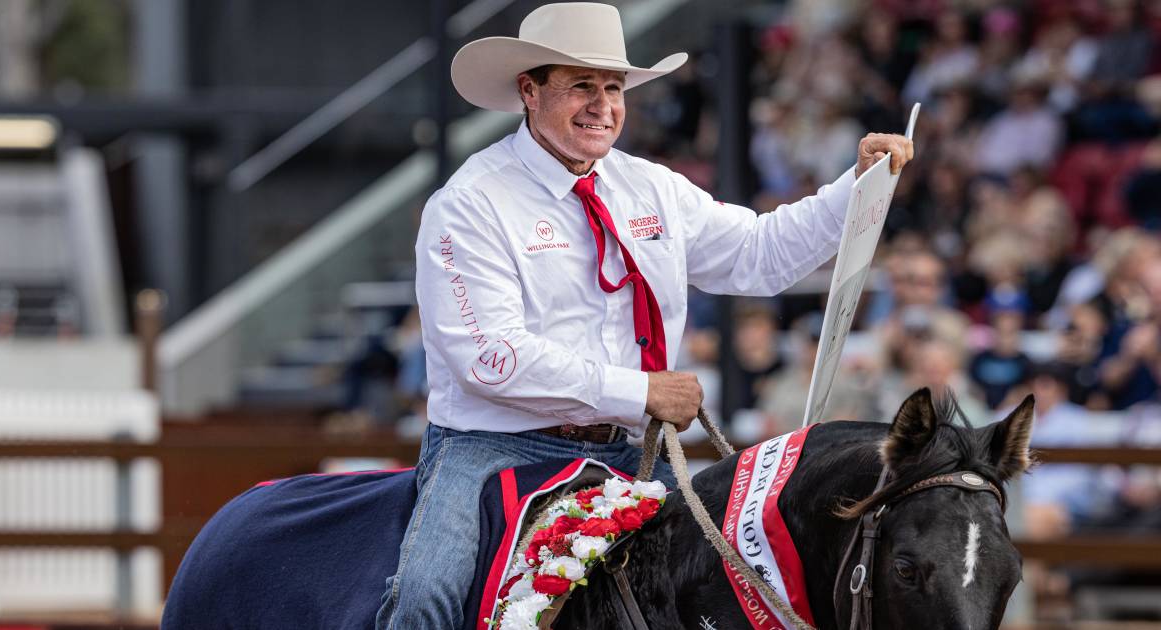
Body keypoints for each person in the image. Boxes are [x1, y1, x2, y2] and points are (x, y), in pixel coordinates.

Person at [376, 4, 914, 628]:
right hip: (489, 450)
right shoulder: (470, 204)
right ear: (529, 90)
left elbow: (760, 256)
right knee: (423, 599)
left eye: (613, 88)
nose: (602, 105)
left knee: (742, 582)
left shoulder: (650, 187)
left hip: (623, 450)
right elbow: (488, 358)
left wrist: (859, 185)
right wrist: (641, 391)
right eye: (581, 85)